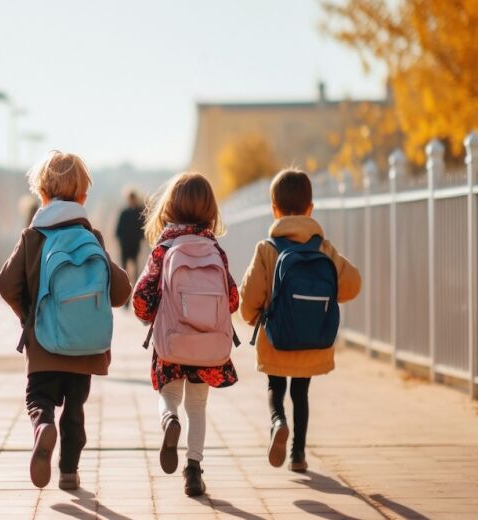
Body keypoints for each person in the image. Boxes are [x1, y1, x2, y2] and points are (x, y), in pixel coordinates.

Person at [0, 151, 131, 490]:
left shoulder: (32, 236)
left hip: (43, 345)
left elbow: (5, 283)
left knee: (38, 398)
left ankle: (42, 426)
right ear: (84, 196)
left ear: (41, 194)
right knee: (75, 409)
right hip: (85, 347)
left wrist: (29, 316)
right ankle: (69, 472)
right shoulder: (93, 238)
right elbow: (120, 292)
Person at [239, 169, 361, 473]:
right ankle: (298, 455)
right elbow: (352, 285)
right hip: (313, 339)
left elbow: (249, 297)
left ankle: (277, 421)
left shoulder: (267, 249)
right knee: (301, 394)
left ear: (274, 209)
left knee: (275, 387)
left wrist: (255, 317)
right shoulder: (323, 248)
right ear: (310, 209)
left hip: (277, 337)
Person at [132, 172, 239, 497]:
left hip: (172, 342)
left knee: (170, 397)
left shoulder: (164, 249)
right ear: (210, 210)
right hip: (208, 346)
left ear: (170, 207)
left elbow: (141, 299)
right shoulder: (215, 251)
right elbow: (232, 299)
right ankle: (193, 472)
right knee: (198, 407)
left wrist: (151, 315)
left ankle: (168, 421)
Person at [115, 190, 145, 289]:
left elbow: (143, 230)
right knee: (125, 270)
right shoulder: (125, 212)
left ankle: (135, 290)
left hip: (134, 245)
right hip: (125, 245)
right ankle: (126, 293)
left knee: (135, 268)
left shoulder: (139, 212)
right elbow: (118, 231)